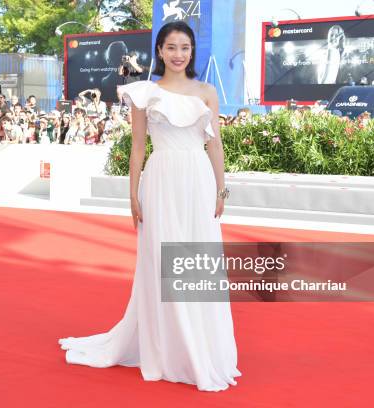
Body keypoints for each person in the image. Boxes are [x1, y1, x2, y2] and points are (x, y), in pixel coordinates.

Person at [58, 20, 241, 392]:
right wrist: (132, 194)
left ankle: (200, 347)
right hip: (161, 181)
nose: (178, 54)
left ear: (192, 52)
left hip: (198, 181)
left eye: (184, 48)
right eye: (171, 47)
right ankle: (169, 347)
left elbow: (215, 145)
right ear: (159, 51)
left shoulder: (206, 92)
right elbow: (138, 147)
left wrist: (222, 189)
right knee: (162, 262)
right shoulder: (144, 92)